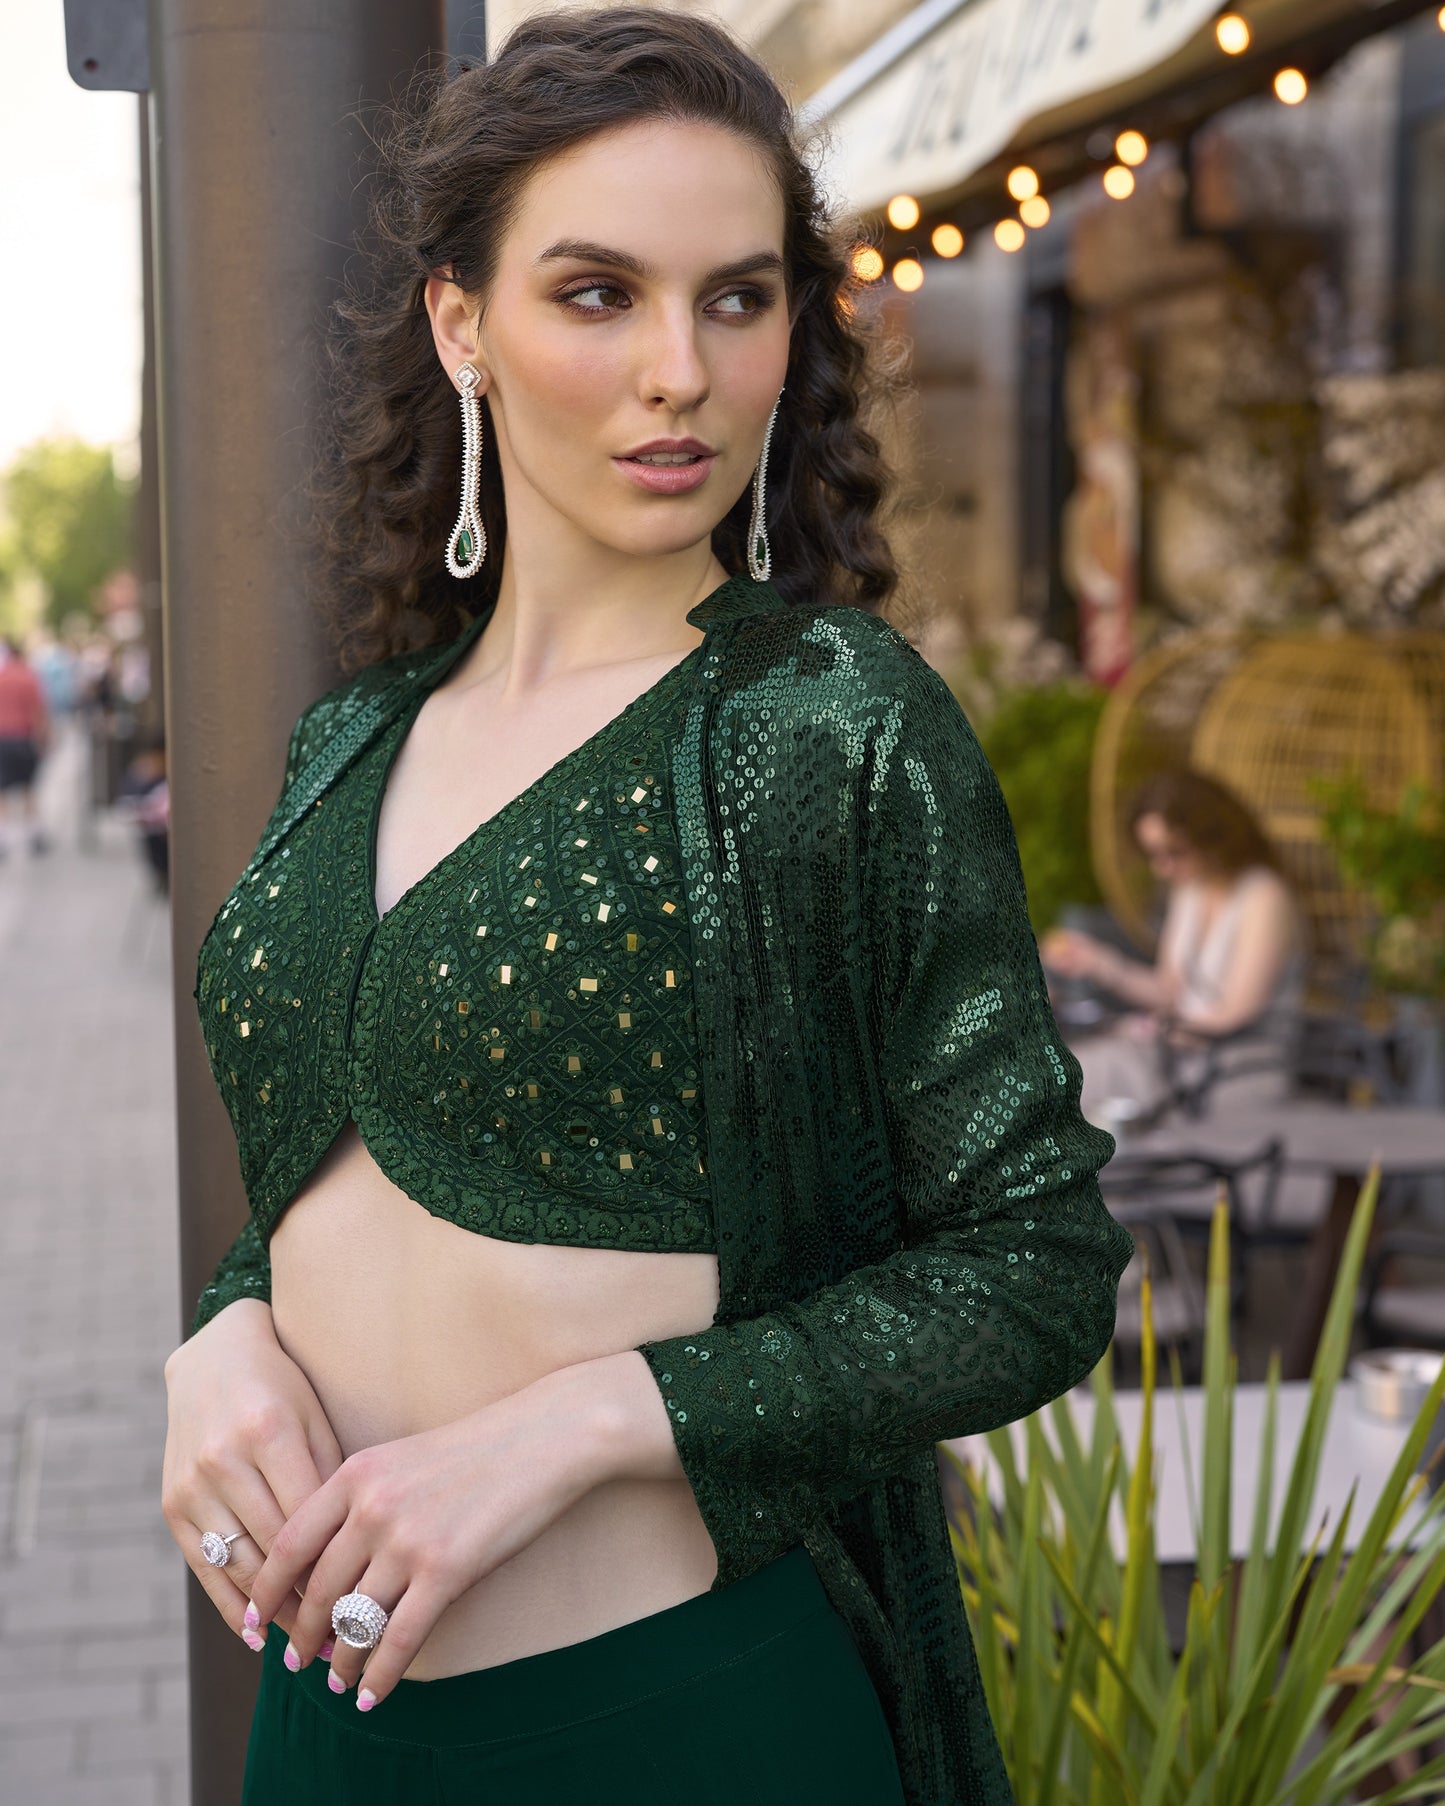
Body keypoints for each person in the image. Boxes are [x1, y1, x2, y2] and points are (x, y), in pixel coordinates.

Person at [160, 13, 1135, 1804]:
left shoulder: (819, 718)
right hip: (332, 1729)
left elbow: (1037, 1262)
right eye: (598, 293)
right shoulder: (352, 740)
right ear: (464, 324)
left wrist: (589, 1424)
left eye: (737, 298)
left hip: (672, 1721)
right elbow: (337, 1164)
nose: (679, 369)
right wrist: (220, 1335)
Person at [1041, 768, 1306, 1126]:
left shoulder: (1263, 896)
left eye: (1173, 852)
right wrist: (1099, 963)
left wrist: (1157, 1030)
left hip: (1238, 1066)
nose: (1162, 867)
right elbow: (1170, 990)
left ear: (1214, 837)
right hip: (1178, 1055)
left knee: (1077, 1081)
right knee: (1062, 1074)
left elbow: (1236, 1011)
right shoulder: (1191, 890)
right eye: (1152, 854)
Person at [0, 634, 51, 858]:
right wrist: (44, 738)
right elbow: (39, 710)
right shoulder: (29, 676)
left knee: (2, 792)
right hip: (23, 737)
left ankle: (4, 839)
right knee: (29, 789)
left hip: (3, 738)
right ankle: (34, 836)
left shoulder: (2, 677)